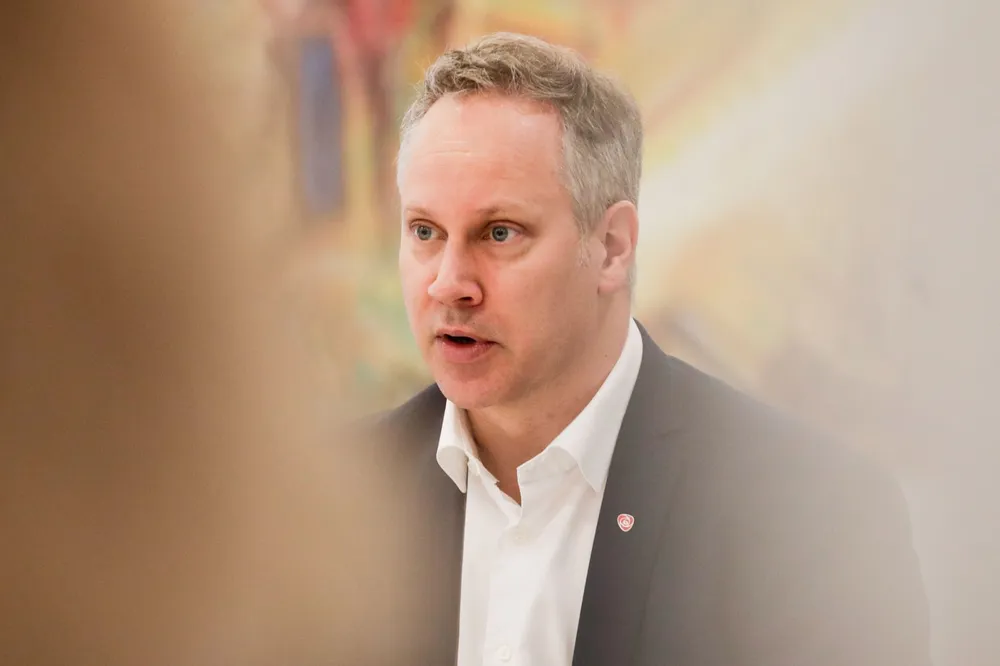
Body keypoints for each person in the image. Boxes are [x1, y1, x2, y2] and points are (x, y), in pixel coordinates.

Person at [368, 31, 932, 666]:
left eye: (500, 233)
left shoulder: (814, 519)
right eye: (425, 231)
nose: (448, 283)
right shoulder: (329, 502)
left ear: (612, 247)